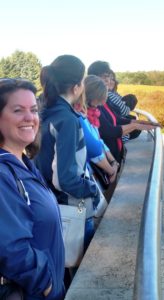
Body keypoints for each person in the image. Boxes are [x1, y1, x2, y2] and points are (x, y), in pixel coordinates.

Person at [0, 78, 65, 300]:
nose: (30, 118)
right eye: (18, 110)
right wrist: (46, 284)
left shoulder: (24, 162)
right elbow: (11, 248)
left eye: (34, 110)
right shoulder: (2, 173)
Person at [35, 55, 101, 252]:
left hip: (46, 202)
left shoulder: (42, 109)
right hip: (71, 206)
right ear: (76, 86)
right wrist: (92, 189)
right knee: (78, 267)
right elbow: (66, 179)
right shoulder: (67, 120)